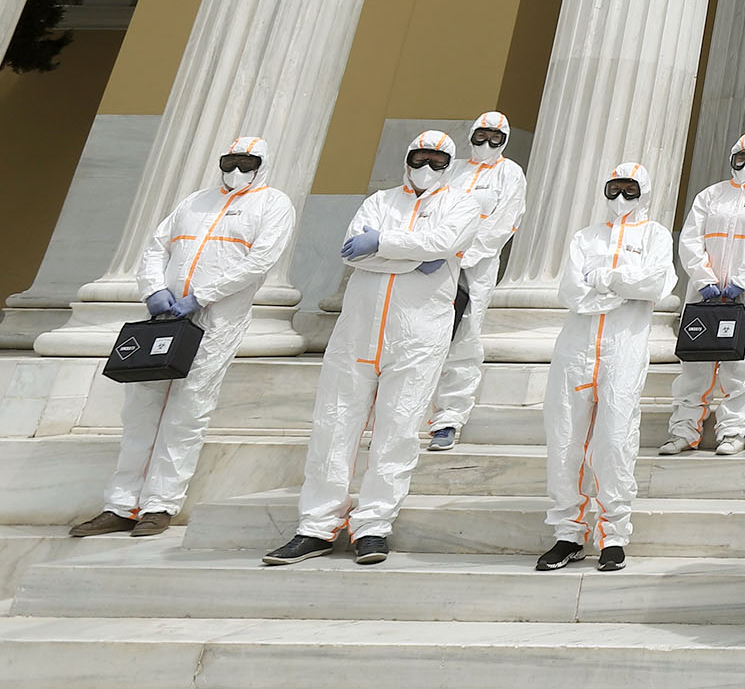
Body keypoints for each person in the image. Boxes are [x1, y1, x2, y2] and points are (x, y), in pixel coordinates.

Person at [264, 131, 478, 564]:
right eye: (420, 158)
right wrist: (416, 257)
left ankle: (374, 525)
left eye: (437, 161)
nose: (426, 167)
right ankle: (316, 526)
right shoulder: (380, 201)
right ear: (407, 158)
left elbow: (442, 242)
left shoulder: (462, 204)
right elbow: (351, 252)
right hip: (357, 332)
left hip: (417, 335)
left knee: (397, 431)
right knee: (332, 427)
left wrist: (382, 243)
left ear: (449, 164)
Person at [70, 137, 298, 539]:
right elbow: (156, 248)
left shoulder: (273, 204)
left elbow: (260, 260)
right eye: (230, 161)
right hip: (163, 317)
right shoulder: (195, 201)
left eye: (247, 163)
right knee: (140, 409)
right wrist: (153, 290)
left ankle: (160, 505)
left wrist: (202, 296)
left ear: (262, 165)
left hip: (216, 321)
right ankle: (120, 505)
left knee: (187, 411)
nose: (237, 170)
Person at [536, 162, 674, 573]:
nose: (621, 197)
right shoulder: (585, 237)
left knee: (615, 441)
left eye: (630, 189)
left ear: (644, 192)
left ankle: (613, 534)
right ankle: (568, 533)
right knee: (565, 440)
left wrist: (606, 277)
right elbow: (571, 292)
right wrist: (622, 286)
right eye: (614, 188)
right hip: (575, 349)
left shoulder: (655, 236)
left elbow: (655, 285)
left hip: (623, 349)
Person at [660, 132, 745, 458]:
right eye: (741, 158)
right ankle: (684, 431)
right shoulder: (711, 195)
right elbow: (691, 240)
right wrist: (705, 279)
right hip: (705, 294)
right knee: (695, 365)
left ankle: (733, 430)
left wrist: (742, 282)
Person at [427, 110, 528, 451]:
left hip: (475, 267)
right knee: (422, 335)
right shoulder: (453, 168)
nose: (487, 143)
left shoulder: (509, 173)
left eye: (495, 138)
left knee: (464, 338)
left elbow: (504, 222)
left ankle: (448, 418)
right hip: (434, 261)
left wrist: (461, 254)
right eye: (481, 135)